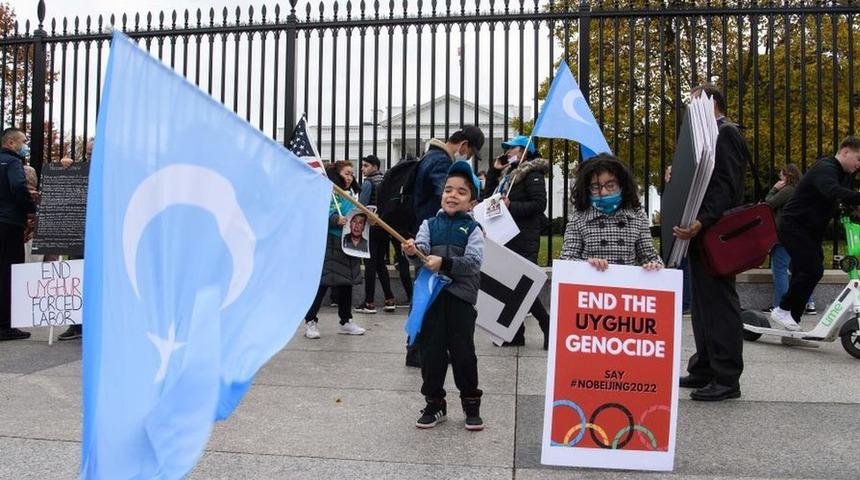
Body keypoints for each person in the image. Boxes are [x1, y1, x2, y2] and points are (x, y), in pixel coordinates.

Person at [673, 84, 750, 402]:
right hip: (701, 235)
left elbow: (725, 186)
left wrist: (702, 220)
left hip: (714, 232)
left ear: (712, 103)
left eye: (694, 102)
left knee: (719, 305)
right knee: (703, 306)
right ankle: (704, 366)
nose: (690, 109)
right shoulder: (705, 136)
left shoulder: (726, 133)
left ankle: (727, 376)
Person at [402, 160, 485, 431]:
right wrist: (413, 250)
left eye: (461, 192)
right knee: (431, 352)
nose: (453, 195)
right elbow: (423, 252)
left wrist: (446, 263)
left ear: (472, 203)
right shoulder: (428, 224)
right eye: (448, 189)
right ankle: (435, 402)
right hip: (432, 300)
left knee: (463, 353)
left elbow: (473, 262)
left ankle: (471, 403)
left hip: (460, 300)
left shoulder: (474, 230)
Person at [407, 125, 485, 367]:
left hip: (440, 245)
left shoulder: (429, 156)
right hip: (439, 241)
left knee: (427, 298)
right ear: (464, 146)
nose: (452, 194)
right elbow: (453, 199)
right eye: (471, 153)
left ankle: (420, 347)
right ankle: (419, 348)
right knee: (430, 299)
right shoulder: (442, 162)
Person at [770, 136, 860, 331]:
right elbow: (831, 191)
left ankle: (791, 318)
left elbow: (833, 202)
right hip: (794, 226)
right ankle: (782, 310)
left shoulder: (841, 173)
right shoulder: (826, 168)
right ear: (845, 152)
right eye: (858, 158)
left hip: (809, 229)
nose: (858, 165)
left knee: (806, 269)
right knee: (813, 270)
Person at [482, 135, 550, 349]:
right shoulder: (507, 176)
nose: (508, 152)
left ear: (525, 151)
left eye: (512, 149)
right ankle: (515, 334)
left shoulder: (533, 174)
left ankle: (546, 323)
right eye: (507, 149)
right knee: (512, 282)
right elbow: (488, 199)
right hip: (505, 235)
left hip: (524, 236)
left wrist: (511, 205)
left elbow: (539, 205)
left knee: (524, 285)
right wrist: (494, 171)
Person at [559, 153, 662, 272]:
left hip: (625, 286)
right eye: (595, 187)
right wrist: (588, 265)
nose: (603, 192)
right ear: (587, 189)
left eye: (610, 185)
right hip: (591, 286)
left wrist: (654, 265)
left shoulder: (638, 216)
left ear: (622, 185)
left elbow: (648, 255)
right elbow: (567, 258)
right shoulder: (578, 218)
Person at [303, 160, 367, 339]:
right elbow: (318, 211)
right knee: (323, 283)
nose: (350, 177)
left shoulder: (352, 193)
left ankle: (345, 321)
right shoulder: (328, 191)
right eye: (346, 173)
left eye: (351, 174)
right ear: (337, 174)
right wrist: (333, 219)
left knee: (347, 283)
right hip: (331, 242)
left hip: (348, 242)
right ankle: (310, 321)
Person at [0, 127, 37, 341]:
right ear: (12, 143)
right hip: (10, 222)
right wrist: (29, 207)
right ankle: (5, 325)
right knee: (9, 272)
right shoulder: (13, 163)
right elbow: (18, 186)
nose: (25, 145)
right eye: (23, 141)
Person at [57, 137, 95, 341]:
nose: (89, 155)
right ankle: (76, 324)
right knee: (76, 277)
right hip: (78, 231)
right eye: (88, 152)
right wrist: (67, 167)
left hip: (101, 233)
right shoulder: (80, 170)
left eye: (93, 151)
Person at [764, 164, 815, 314]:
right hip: (801, 234)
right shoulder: (803, 190)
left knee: (779, 269)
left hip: (784, 235)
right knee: (799, 270)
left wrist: (774, 189)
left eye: (781, 176)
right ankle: (809, 303)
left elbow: (769, 204)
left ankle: (782, 305)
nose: (780, 179)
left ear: (787, 176)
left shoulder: (787, 190)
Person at [356, 154, 396, 314]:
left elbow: (362, 206)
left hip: (371, 226)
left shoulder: (368, 183)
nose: (362, 169)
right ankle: (389, 298)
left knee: (370, 264)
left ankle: (369, 302)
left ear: (374, 166)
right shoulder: (385, 181)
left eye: (365, 166)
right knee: (381, 263)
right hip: (384, 225)